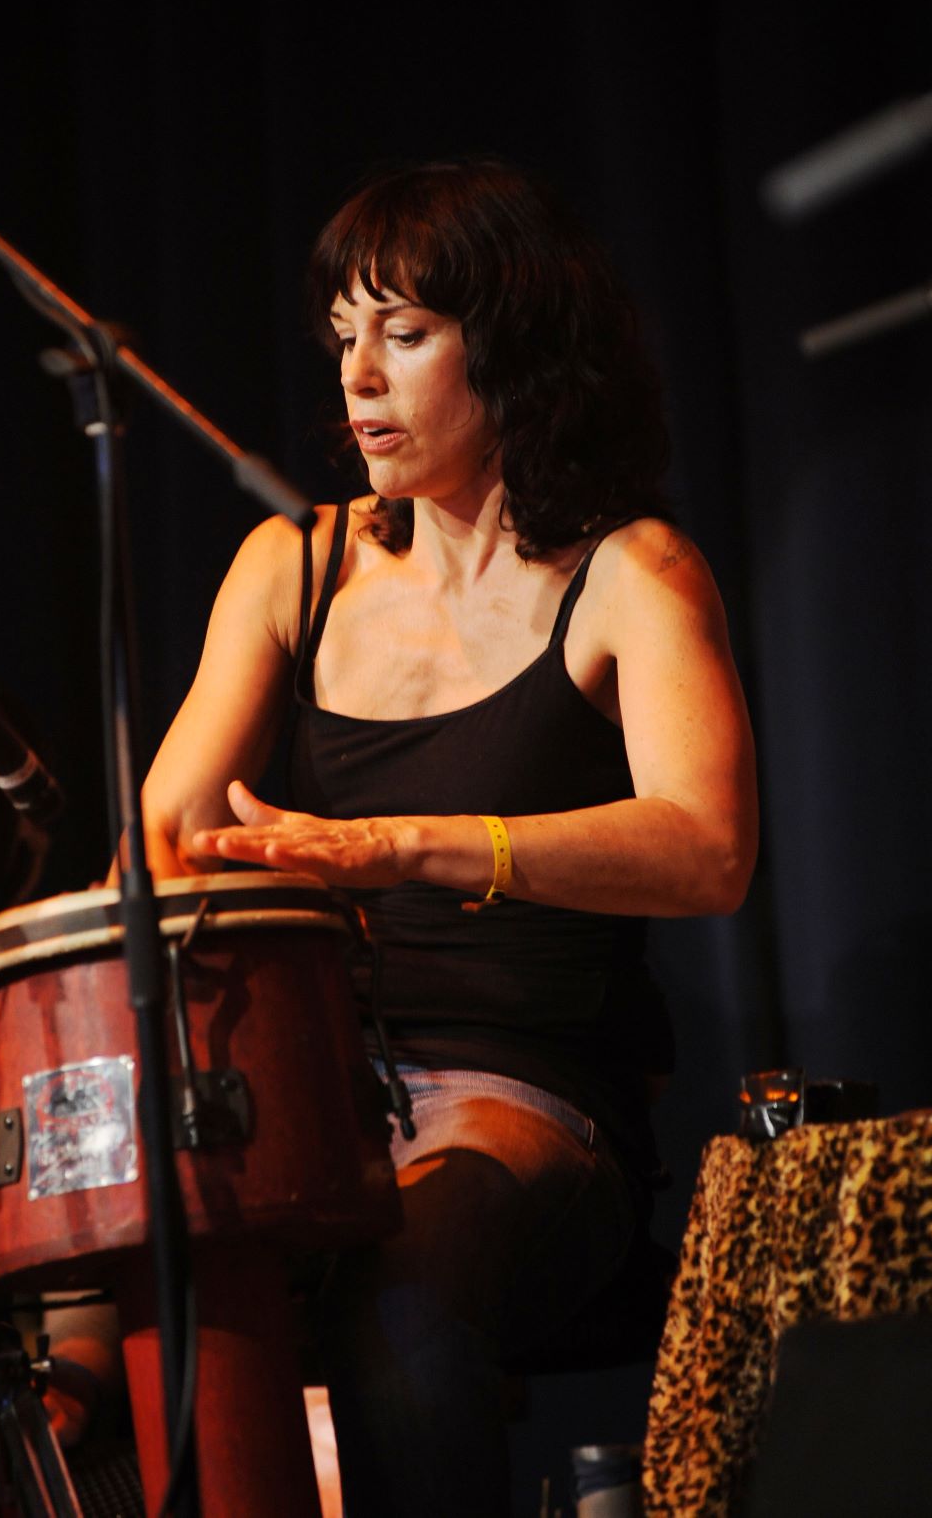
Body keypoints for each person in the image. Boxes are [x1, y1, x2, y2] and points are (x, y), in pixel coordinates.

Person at [137, 157, 758, 1516]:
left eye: (404, 333)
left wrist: (414, 845)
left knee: (401, 1299)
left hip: (524, 1098)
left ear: (515, 345)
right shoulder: (293, 565)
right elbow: (168, 837)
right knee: (82, 1296)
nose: (357, 376)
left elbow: (707, 847)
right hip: (300, 1084)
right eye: (342, 336)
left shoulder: (631, 573)